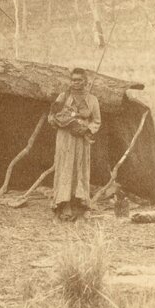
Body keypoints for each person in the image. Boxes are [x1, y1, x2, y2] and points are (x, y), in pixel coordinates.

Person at [47, 67, 101, 221]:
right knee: (65, 167)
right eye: (73, 80)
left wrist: (87, 129)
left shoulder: (92, 100)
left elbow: (96, 121)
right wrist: (61, 121)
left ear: (86, 81)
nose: (76, 83)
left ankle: (81, 202)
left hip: (82, 139)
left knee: (80, 167)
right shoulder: (63, 97)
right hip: (65, 138)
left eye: (79, 80)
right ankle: (63, 203)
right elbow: (51, 116)